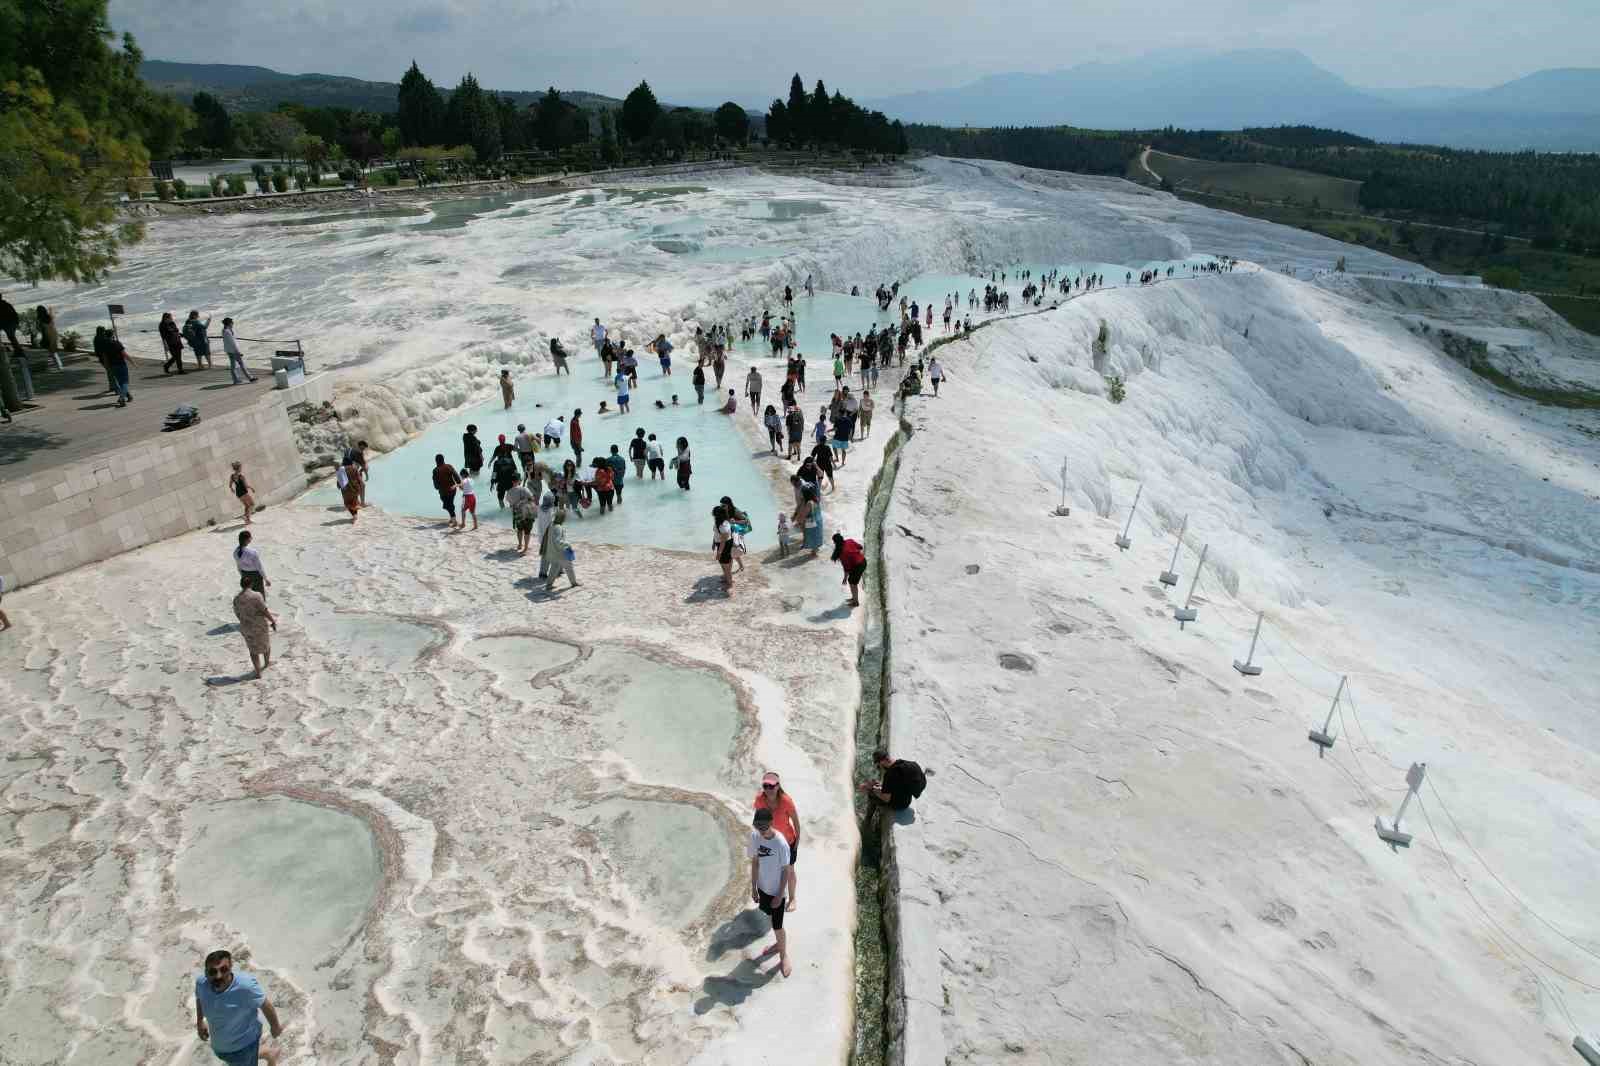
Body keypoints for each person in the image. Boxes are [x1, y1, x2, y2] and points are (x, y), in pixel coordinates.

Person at [195, 949, 284, 1064]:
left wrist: (275, 1027)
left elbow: (265, 1005)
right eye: (212, 972)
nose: (218, 976)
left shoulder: (245, 986)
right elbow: (200, 998)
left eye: (223, 969)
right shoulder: (201, 984)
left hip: (245, 1044)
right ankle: (267, 1053)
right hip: (220, 1046)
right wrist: (200, 1021)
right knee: (236, 1060)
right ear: (206, 972)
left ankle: (265, 1054)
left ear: (231, 967)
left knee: (242, 1059)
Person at [748, 807, 796, 978]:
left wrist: (779, 895)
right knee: (768, 915)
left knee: (777, 925)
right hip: (763, 887)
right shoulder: (755, 836)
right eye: (757, 827)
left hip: (777, 891)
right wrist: (754, 887)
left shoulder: (781, 843)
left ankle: (784, 956)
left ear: (771, 824)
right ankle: (778, 944)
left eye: (764, 827)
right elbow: (755, 862)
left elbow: (786, 871)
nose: (761, 831)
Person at [754, 771, 801, 893]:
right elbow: (759, 820)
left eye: (772, 786)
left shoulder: (786, 801)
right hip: (770, 842)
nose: (768, 789)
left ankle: (792, 898)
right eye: (765, 786)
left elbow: (795, 821)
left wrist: (797, 842)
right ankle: (776, 895)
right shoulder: (760, 800)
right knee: (773, 870)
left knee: (790, 870)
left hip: (788, 842)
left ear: (778, 786)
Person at [232, 575, 278, 680]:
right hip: (259, 625)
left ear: (241, 585)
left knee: (253, 650)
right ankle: (266, 664)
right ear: (251, 584)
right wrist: (273, 621)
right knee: (265, 644)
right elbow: (264, 610)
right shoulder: (257, 596)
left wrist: (244, 621)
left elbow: (237, 613)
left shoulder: (236, 599)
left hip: (246, 626)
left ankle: (257, 672)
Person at [859, 747, 926, 815]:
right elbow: (898, 783)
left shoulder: (889, 775)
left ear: (881, 762)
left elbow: (886, 799)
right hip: (907, 800)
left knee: (870, 794)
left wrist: (872, 789)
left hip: (899, 805)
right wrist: (882, 785)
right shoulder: (907, 764)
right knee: (877, 787)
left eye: (878, 765)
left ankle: (868, 819)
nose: (879, 767)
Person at [542, 511, 579, 591]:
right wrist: (568, 545)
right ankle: (574, 583)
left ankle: (549, 585)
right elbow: (558, 541)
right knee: (569, 567)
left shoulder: (552, 524)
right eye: (564, 517)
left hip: (553, 551)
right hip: (560, 552)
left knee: (554, 568)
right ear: (562, 518)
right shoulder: (558, 527)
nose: (565, 518)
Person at [831, 532, 867, 606]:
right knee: (851, 581)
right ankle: (854, 598)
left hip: (858, 566)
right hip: (862, 561)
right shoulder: (849, 541)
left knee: (853, 583)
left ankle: (855, 602)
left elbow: (847, 568)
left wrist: (845, 578)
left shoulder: (842, 553)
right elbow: (860, 547)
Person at [503, 473, 534, 552]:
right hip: (527, 512)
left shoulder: (509, 492)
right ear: (519, 480)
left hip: (517, 513)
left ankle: (520, 544)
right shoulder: (524, 489)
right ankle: (526, 547)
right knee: (527, 531)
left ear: (512, 481)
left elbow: (510, 504)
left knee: (520, 529)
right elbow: (531, 498)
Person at [234, 530, 269, 598]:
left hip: (244, 574)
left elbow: (238, 566)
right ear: (247, 540)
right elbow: (259, 567)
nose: (251, 538)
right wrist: (266, 579)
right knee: (259, 595)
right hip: (255, 576)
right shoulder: (252, 552)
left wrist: (242, 575)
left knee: (248, 594)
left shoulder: (235, 552)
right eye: (250, 537)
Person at [220, 318, 256, 384]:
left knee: (233, 366)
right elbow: (232, 343)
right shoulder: (228, 332)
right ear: (229, 323)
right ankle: (250, 378)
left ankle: (236, 380)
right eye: (232, 323)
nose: (233, 324)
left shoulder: (224, 330)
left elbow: (229, 342)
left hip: (229, 350)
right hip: (234, 351)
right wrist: (238, 351)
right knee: (241, 364)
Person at [432, 453, 462, 529]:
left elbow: (435, 483)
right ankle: (452, 518)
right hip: (452, 489)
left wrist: (437, 487)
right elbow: (456, 475)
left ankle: (454, 521)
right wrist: (459, 484)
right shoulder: (449, 466)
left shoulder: (435, 470)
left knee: (448, 505)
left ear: (436, 461)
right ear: (443, 459)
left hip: (443, 491)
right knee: (449, 504)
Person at [711, 505, 736, 591]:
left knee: (725, 565)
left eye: (714, 514)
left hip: (725, 545)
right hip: (723, 544)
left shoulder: (723, 525)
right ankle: (727, 578)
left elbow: (723, 540)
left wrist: (719, 552)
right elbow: (716, 534)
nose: (713, 515)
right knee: (725, 563)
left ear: (717, 515)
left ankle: (729, 584)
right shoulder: (721, 522)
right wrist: (714, 542)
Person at [793, 485, 823, 555]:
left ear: (805, 494)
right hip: (818, 520)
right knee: (816, 536)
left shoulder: (809, 503)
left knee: (811, 536)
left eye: (802, 493)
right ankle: (815, 551)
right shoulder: (816, 499)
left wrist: (799, 522)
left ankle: (814, 554)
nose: (801, 494)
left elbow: (804, 515)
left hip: (812, 522)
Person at [343, 440, 370, 506]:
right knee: (362, 485)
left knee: (353, 486)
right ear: (361, 446)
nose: (363, 450)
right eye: (363, 448)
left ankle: (355, 501)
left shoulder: (348, 449)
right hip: (351, 471)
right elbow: (364, 466)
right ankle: (362, 503)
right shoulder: (359, 453)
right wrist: (367, 475)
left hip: (343, 470)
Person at [228, 462, 256, 526]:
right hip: (243, 492)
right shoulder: (241, 476)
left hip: (238, 493)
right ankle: (246, 517)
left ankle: (247, 521)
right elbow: (246, 485)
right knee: (252, 504)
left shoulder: (232, 476)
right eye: (241, 467)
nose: (241, 468)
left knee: (247, 506)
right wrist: (251, 488)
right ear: (239, 468)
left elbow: (230, 485)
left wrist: (232, 489)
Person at [339, 453, 363, 521]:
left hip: (346, 490)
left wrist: (338, 486)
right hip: (355, 489)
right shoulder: (354, 468)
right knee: (354, 502)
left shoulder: (341, 469)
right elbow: (359, 479)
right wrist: (360, 486)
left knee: (348, 503)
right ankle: (355, 515)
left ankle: (354, 515)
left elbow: (339, 480)